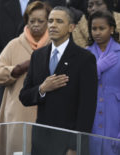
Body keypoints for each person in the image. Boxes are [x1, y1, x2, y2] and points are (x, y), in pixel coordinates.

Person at [19, 6, 98, 155]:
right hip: (41, 141)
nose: (53, 25)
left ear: (71, 27)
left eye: (59, 21)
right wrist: (42, 89)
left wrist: (75, 146)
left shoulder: (85, 59)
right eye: (50, 21)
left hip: (68, 142)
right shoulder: (38, 56)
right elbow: (24, 96)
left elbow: (87, 108)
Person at [0, 2, 51, 155]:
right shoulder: (14, 44)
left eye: (41, 21)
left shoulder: (55, 45)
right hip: (18, 115)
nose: (36, 25)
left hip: (48, 115)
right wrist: (16, 70)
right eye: (32, 21)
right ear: (26, 21)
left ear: (49, 22)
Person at [87, 10, 120, 155]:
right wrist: (96, 69)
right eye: (94, 28)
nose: (97, 32)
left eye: (102, 28)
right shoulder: (84, 54)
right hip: (91, 120)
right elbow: (78, 86)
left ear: (111, 29)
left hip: (115, 118)